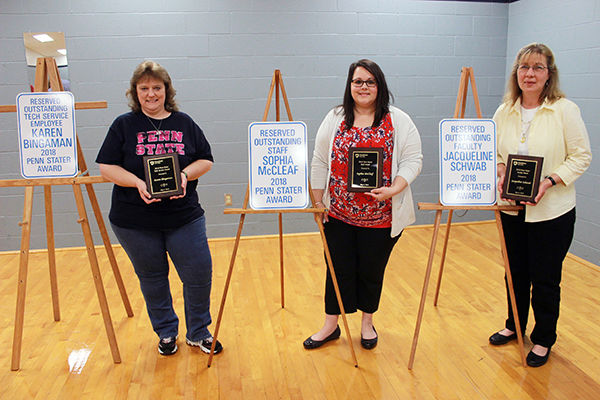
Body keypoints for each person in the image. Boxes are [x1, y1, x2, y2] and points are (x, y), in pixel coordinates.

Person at [96, 60, 222, 356]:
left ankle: (198, 332)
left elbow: (206, 159)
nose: (151, 94)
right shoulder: (123, 125)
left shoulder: (184, 123)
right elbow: (105, 168)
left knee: (198, 274)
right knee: (152, 278)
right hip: (134, 221)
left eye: (156, 87)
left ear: (167, 90)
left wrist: (184, 175)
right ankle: (166, 333)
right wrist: (138, 183)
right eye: (144, 88)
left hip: (184, 217)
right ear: (135, 92)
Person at [304, 59, 422, 350]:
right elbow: (319, 161)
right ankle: (331, 325)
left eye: (370, 81)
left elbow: (413, 160)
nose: (364, 87)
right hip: (338, 215)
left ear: (379, 86)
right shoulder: (335, 118)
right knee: (336, 269)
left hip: (382, 217)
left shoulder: (399, 120)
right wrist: (317, 202)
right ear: (350, 85)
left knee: (371, 270)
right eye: (358, 81)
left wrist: (395, 188)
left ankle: (367, 323)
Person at [490, 43, 591, 367]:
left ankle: (544, 338)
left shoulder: (564, 109)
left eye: (537, 68)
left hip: (552, 212)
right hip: (511, 209)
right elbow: (493, 154)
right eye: (524, 67)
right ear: (516, 73)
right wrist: (502, 169)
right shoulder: (504, 110)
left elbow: (581, 156)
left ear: (549, 74)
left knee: (545, 277)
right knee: (514, 272)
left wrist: (549, 181)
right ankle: (514, 326)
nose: (529, 74)